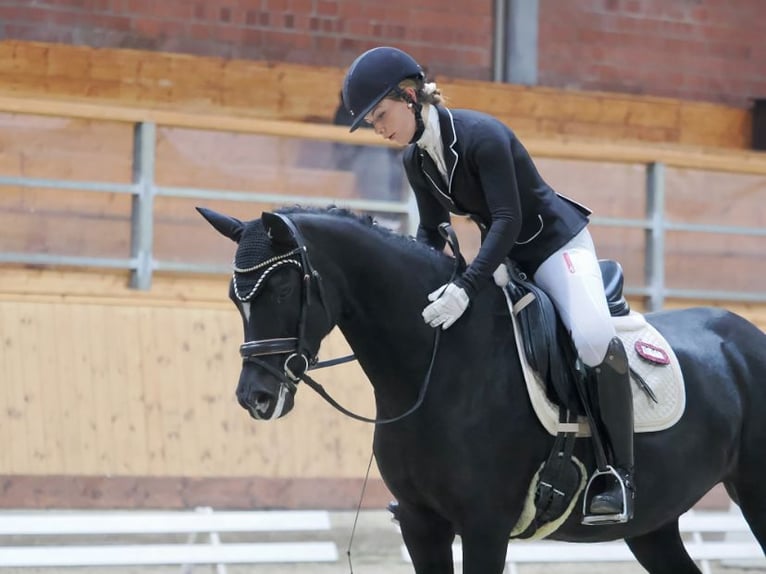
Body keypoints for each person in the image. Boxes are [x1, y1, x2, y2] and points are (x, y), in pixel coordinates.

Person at [341, 46, 635, 522]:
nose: (379, 127)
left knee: (595, 337)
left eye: (381, 114)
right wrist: (418, 290)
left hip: (555, 248)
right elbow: (432, 231)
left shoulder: (483, 136)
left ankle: (617, 473)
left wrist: (465, 287)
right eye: (372, 122)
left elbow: (507, 217)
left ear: (411, 97)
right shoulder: (416, 161)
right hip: (506, 257)